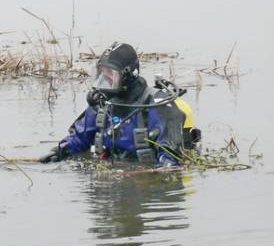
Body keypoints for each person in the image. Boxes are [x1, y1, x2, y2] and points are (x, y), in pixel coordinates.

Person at [39, 42, 200, 166]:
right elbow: (79, 138)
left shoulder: (155, 106)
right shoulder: (102, 104)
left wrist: (156, 174)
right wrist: (58, 152)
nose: (104, 79)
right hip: (114, 176)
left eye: (111, 73)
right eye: (101, 73)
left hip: (142, 181)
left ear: (129, 75)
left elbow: (169, 156)